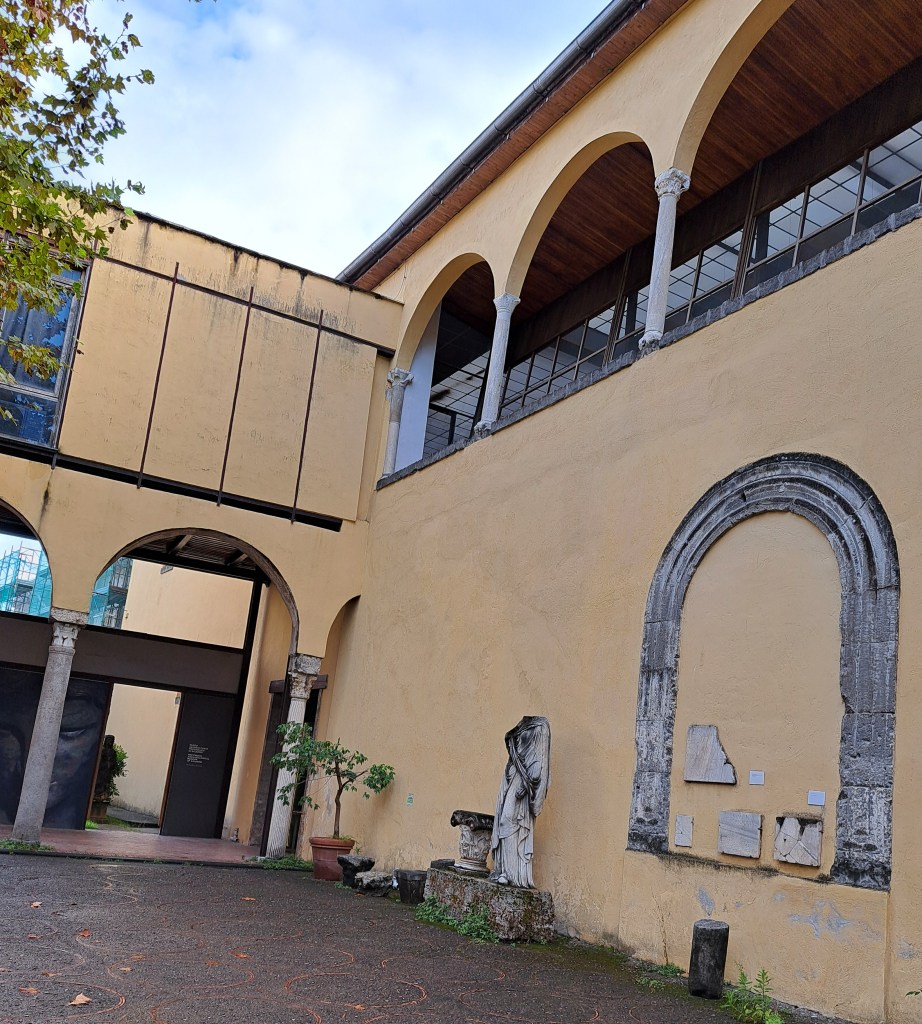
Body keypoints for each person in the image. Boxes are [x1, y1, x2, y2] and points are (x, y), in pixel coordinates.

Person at [489, 715, 551, 888]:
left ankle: (514, 874)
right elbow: (511, 742)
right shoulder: (523, 725)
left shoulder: (540, 727)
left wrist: (527, 783)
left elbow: (540, 760)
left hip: (524, 779)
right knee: (502, 820)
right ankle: (504, 870)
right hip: (512, 774)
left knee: (509, 819)